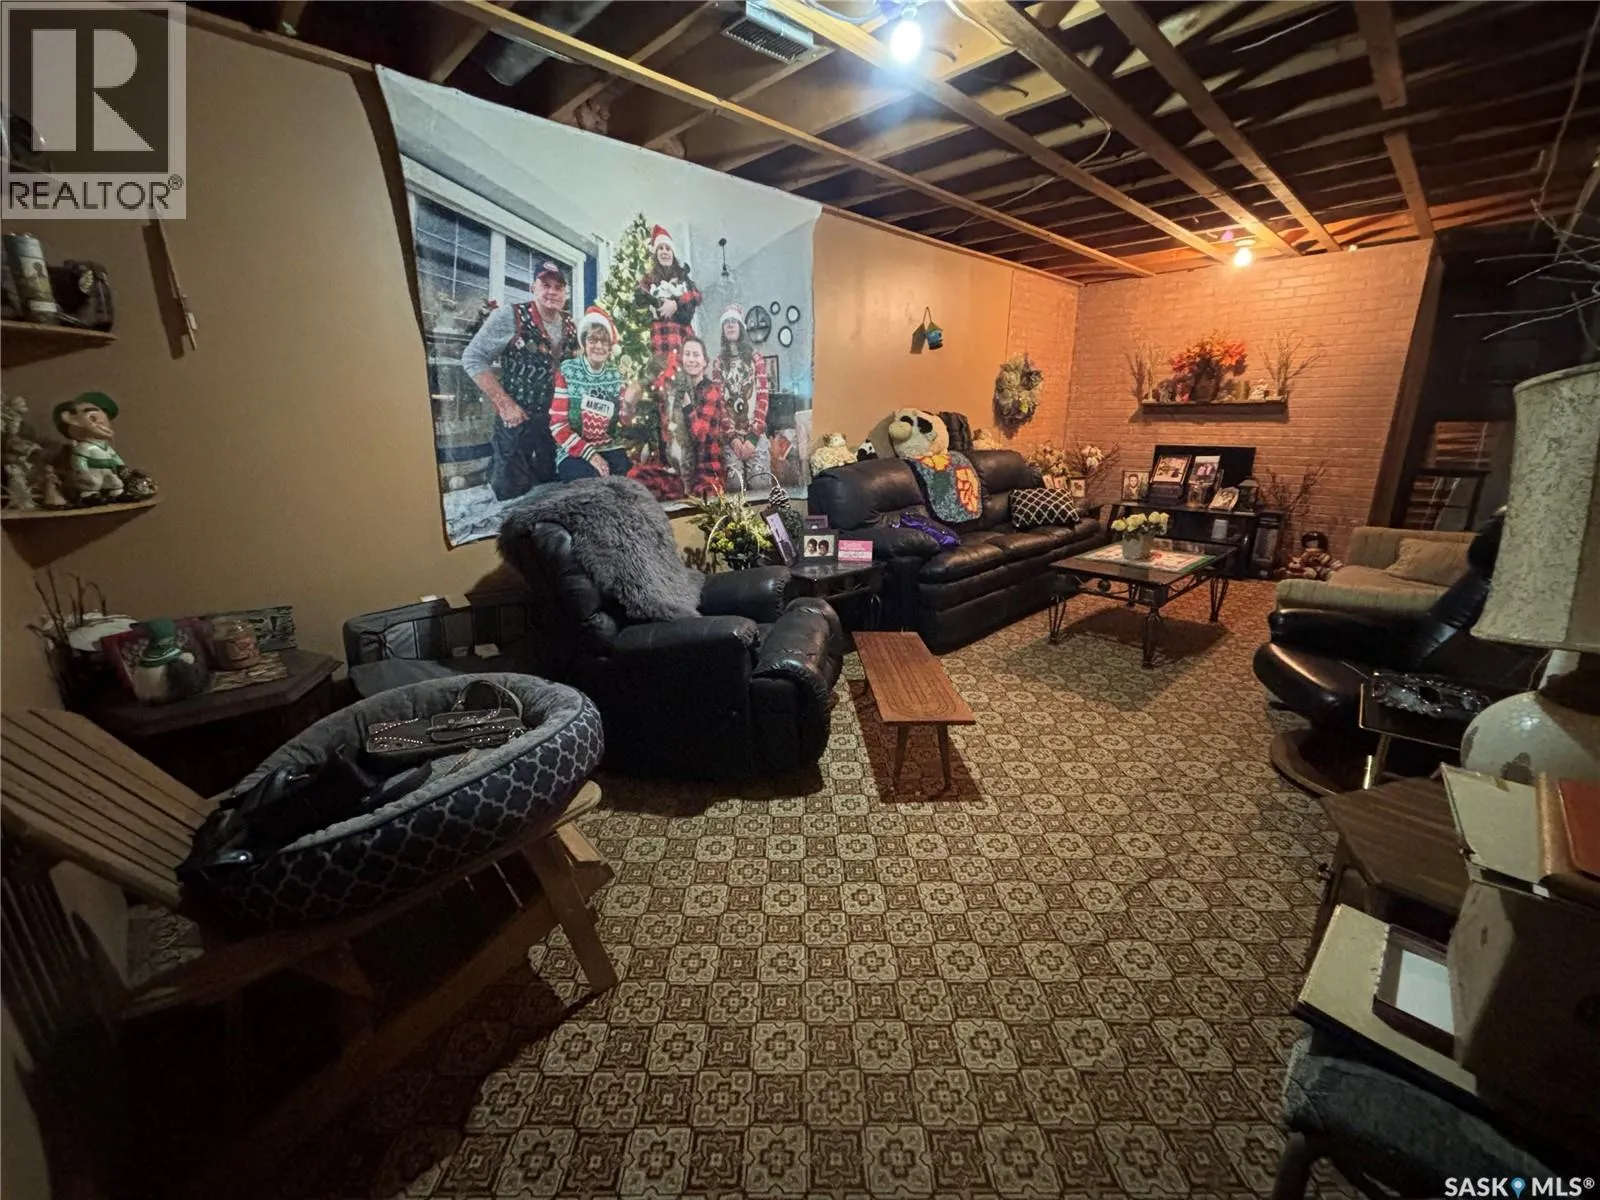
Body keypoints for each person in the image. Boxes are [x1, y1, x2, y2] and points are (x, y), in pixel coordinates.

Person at [460, 260, 576, 500]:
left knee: (553, 488)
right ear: (533, 287)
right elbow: (472, 358)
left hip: (554, 425)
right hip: (517, 421)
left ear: (566, 293)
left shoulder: (571, 326)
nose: (552, 292)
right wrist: (504, 404)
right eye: (546, 285)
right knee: (509, 490)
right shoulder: (510, 316)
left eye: (558, 287)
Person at [549, 306, 641, 480]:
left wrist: (629, 405)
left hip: (609, 447)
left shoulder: (616, 374)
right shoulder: (568, 371)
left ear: (610, 347)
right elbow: (558, 425)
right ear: (584, 343)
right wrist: (591, 455)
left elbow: (624, 421)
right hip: (573, 450)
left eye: (604, 341)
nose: (599, 346)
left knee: (629, 479)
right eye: (593, 340)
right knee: (590, 481)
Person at [711, 305, 772, 491]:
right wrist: (733, 438)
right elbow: (719, 403)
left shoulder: (756, 359)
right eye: (726, 322)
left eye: (734, 322)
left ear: (741, 327)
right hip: (731, 438)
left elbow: (763, 398)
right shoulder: (718, 363)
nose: (730, 325)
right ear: (722, 329)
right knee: (734, 485)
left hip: (755, 434)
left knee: (760, 484)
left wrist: (753, 438)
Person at [634, 225, 701, 362]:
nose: (664, 252)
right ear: (655, 253)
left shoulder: (682, 277)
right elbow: (638, 304)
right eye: (660, 248)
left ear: (673, 253)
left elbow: (695, 298)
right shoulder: (647, 279)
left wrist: (676, 304)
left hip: (682, 339)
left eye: (668, 248)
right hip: (658, 340)